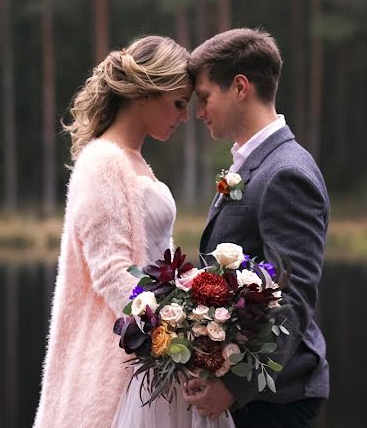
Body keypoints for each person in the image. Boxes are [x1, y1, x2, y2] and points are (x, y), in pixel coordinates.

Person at [32, 35, 197, 428]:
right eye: (178, 104)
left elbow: (160, 260)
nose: (185, 117)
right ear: (145, 93)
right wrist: (173, 342)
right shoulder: (103, 161)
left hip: (154, 346)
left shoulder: (134, 160)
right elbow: (112, 272)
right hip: (125, 351)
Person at [182, 28, 330, 428]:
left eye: (205, 97)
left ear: (241, 87)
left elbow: (294, 296)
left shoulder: (286, 173)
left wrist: (235, 387)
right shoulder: (252, 164)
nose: (199, 112)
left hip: (275, 398)